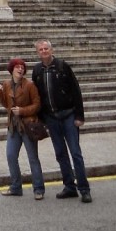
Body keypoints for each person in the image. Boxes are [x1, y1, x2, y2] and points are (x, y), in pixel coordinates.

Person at [32, 38, 91, 202]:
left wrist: (79, 116)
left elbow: (75, 90)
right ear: (37, 53)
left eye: (46, 48)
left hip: (68, 115)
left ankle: (84, 189)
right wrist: (41, 118)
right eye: (41, 50)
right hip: (51, 118)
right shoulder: (37, 70)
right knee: (60, 154)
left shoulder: (62, 66)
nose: (44, 51)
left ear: (52, 50)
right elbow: (38, 96)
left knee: (75, 153)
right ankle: (69, 186)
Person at [0, 58, 45, 199]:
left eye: (22, 67)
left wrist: (22, 111)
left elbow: (37, 105)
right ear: (12, 69)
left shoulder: (30, 85)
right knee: (11, 155)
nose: (20, 69)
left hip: (27, 125)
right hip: (13, 126)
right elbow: (7, 105)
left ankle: (38, 189)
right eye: (17, 67)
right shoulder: (7, 84)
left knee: (33, 158)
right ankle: (15, 187)